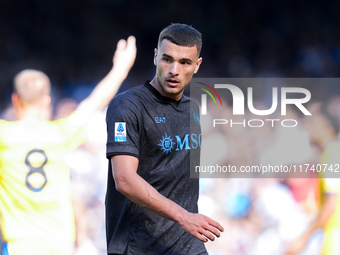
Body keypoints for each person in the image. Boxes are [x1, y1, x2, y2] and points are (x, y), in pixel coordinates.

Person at [0, 36, 136, 255]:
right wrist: (120, 69)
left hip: (20, 243)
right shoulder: (61, 133)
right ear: (47, 101)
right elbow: (93, 103)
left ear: (15, 100)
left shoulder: (4, 137)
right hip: (59, 242)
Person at [105, 23, 224, 255]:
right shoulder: (127, 106)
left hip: (187, 244)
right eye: (167, 59)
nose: (174, 70)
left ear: (197, 65)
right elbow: (124, 179)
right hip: (138, 247)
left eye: (185, 62)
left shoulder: (193, 111)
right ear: (155, 56)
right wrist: (183, 217)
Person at [285, 103, 340, 255]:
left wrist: (304, 238)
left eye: (313, 123)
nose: (307, 129)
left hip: (335, 238)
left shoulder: (332, 154)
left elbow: (331, 204)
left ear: (328, 128)